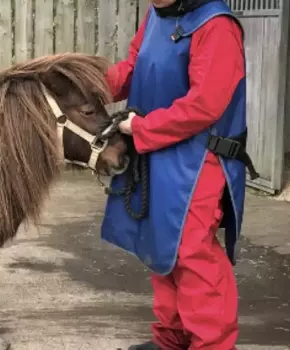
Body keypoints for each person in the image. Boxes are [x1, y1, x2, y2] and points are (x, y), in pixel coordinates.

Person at [100, 0, 258, 349]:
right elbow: (133, 68)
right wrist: (86, 83)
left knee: (192, 253)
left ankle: (211, 343)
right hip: (158, 150)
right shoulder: (157, 14)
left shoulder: (217, 26)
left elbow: (205, 104)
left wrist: (142, 127)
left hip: (200, 160)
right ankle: (171, 339)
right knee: (162, 244)